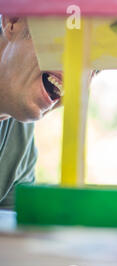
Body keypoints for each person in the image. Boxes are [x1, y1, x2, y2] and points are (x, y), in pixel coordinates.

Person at [0, 16, 64, 209]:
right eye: (71, 42)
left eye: (94, 69)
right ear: (12, 22)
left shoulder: (20, 140)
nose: (81, 75)